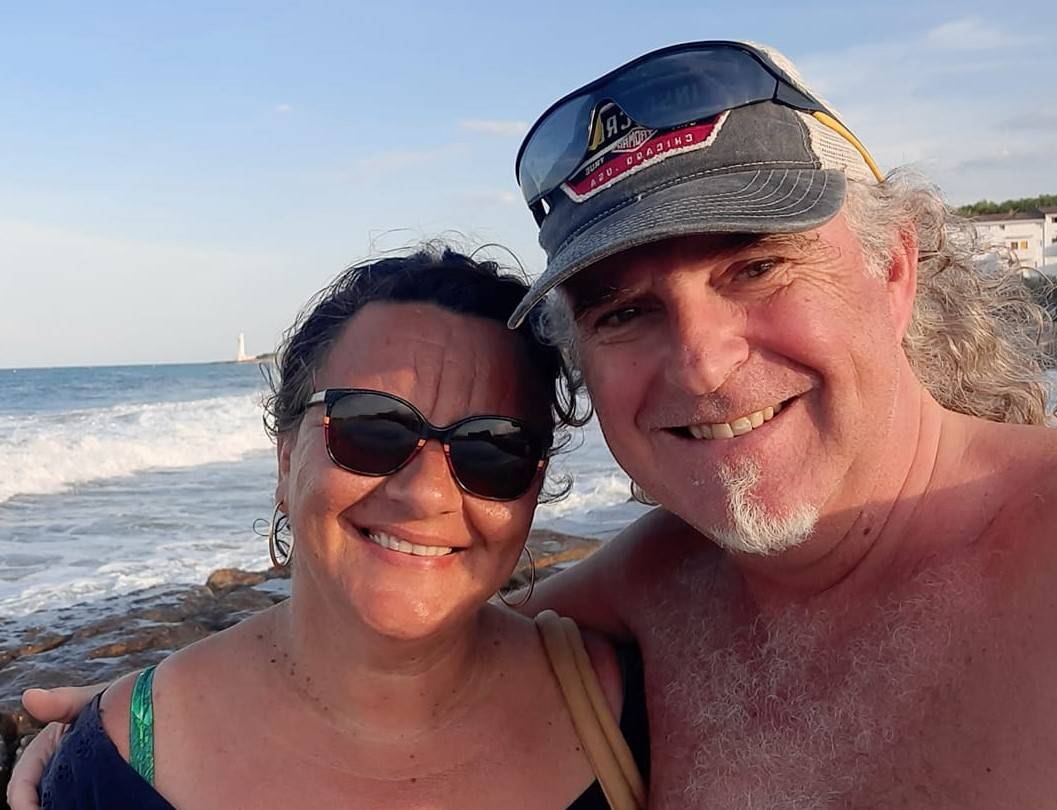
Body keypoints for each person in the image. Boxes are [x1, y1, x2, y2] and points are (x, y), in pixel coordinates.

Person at [12, 39, 1057, 809]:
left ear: (893, 268)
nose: (701, 362)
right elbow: (404, 630)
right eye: (623, 312)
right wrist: (137, 721)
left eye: (755, 267)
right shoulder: (659, 589)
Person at [12, 248, 649, 810]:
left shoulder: (636, 708)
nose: (426, 493)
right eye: (372, 428)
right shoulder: (120, 764)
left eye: (493, 447)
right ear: (286, 458)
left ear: (534, 487)